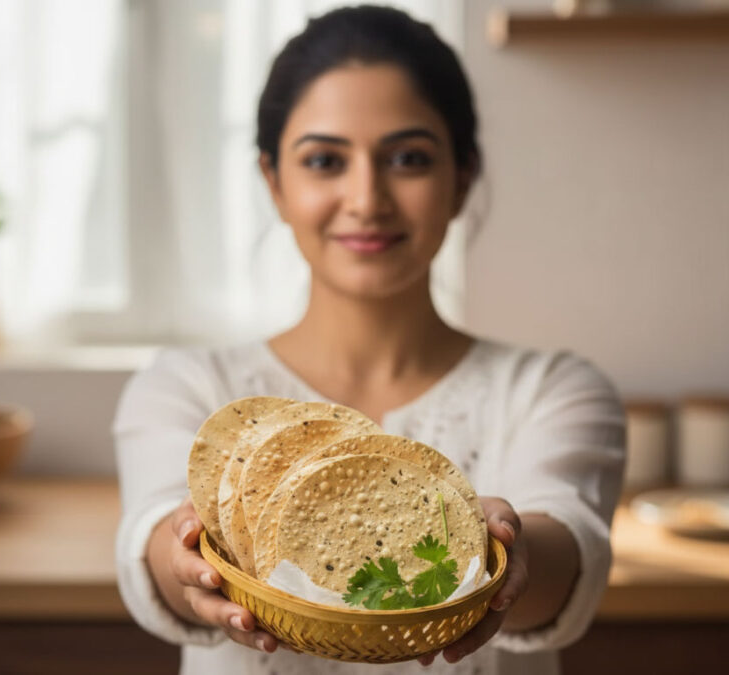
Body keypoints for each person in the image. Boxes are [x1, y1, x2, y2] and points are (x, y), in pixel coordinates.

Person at [113, 6, 625, 675]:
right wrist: (184, 561)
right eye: (325, 160)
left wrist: (508, 554)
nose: (366, 197)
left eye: (407, 158)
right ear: (275, 182)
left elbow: (569, 548)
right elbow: (156, 535)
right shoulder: (185, 386)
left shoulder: (552, 388)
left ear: (462, 177)